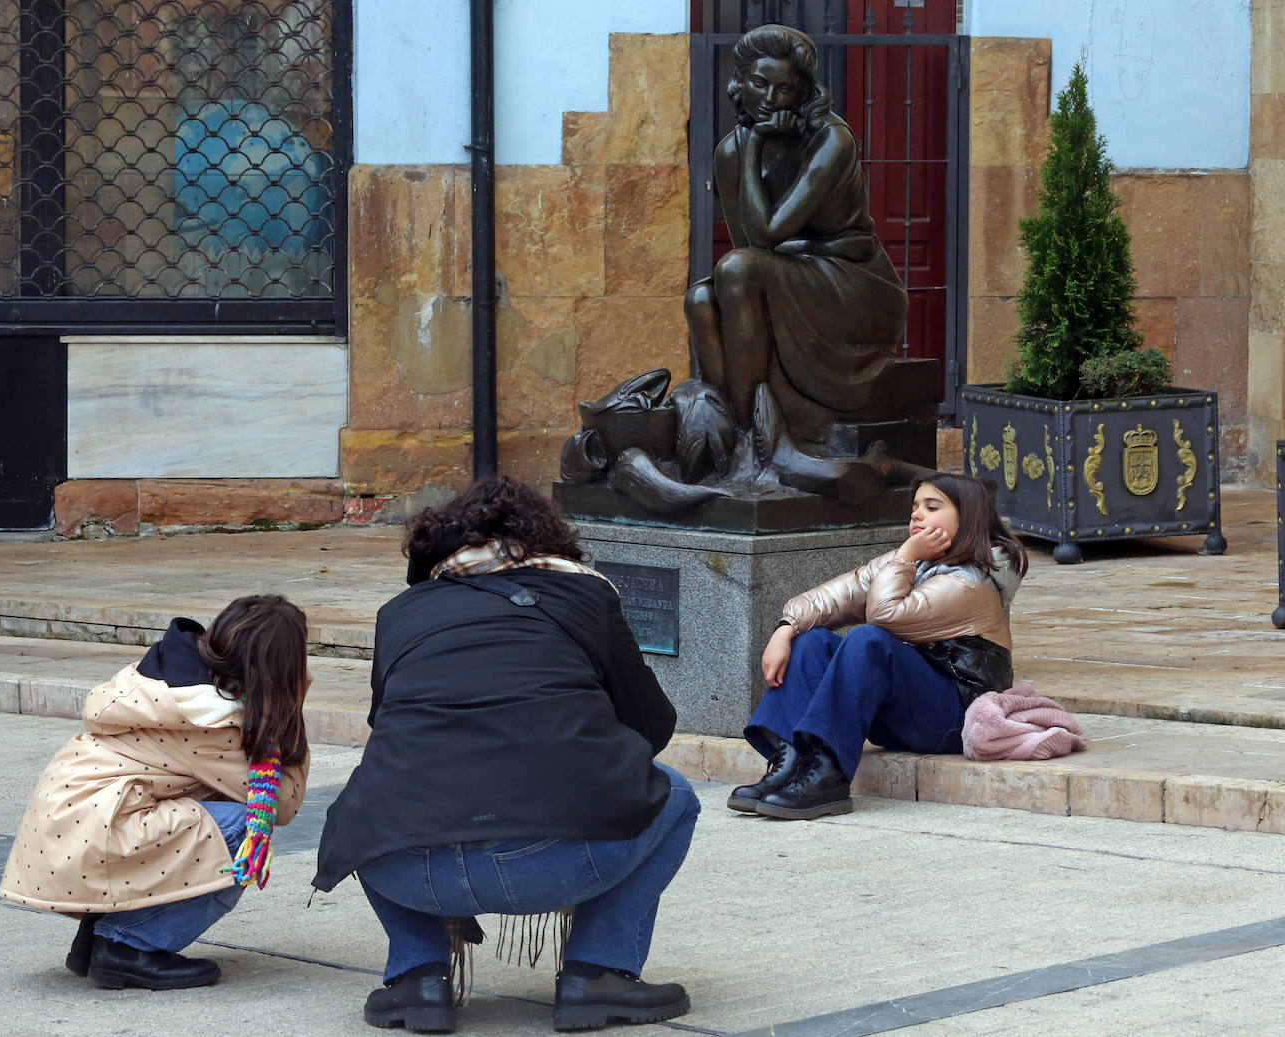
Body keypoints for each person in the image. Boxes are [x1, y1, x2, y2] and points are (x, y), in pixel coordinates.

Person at [313, 476, 700, 1034]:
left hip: (409, 871)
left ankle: (418, 980)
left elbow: (388, 732)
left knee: (366, 798)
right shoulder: (585, 595)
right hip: (558, 863)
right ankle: (597, 975)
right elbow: (651, 727)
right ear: (548, 541)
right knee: (676, 793)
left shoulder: (400, 612)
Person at [0, 594, 311, 989]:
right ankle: (126, 946)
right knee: (243, 830)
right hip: (93, 834)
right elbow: (282, 802)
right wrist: (291, 706)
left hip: (68, 830)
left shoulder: (166, 678)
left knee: (206, 798)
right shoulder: (209, 719)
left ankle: (98, 935)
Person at [729, 473, 1027, 819]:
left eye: (932, 507)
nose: (916, 514)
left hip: (953, 721)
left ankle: (827, 778)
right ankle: (791, 762)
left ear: (969, 518)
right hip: (907, 714)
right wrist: (785, 628)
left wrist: (905, 556)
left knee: (869, 639)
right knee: (811, 641)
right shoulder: (916, 561)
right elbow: (839, 595)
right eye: (915, 506)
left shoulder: (974, 582)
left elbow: (885, 615)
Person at [683, 23, 908, 434]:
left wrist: (754, 145)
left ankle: (757, 436)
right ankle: (734, 430)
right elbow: (749, 246)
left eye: (784, 89)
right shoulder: (729, 151)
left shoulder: (830, 140)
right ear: (739, 82)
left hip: (852, 281)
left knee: (736, 268)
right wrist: (748, 150)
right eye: (759, 83)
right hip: (792, 272)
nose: (769, 99)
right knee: (701, 298)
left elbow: (765, 238)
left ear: (802, 92)